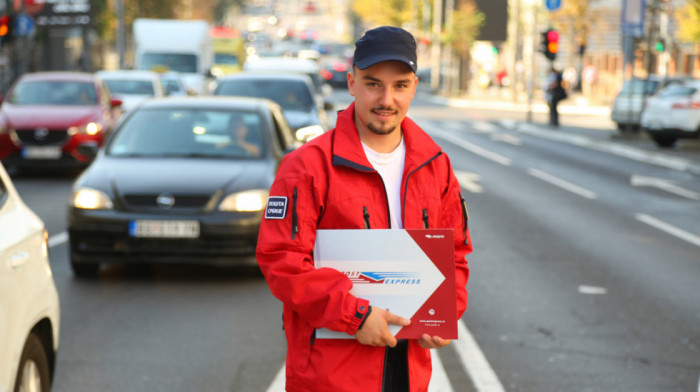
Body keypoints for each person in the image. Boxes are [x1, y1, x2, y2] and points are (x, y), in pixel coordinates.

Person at [256, 26, 472, 391]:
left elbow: (455, 253)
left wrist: (444, 314)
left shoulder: (436, 164)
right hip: (330, 375)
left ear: (414, 87)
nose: (386, 98)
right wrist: (356, 316)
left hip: (408, 371)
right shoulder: (307, 166)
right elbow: (282, 259)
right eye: (373, 83)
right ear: (352, 82)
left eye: (400, 85)